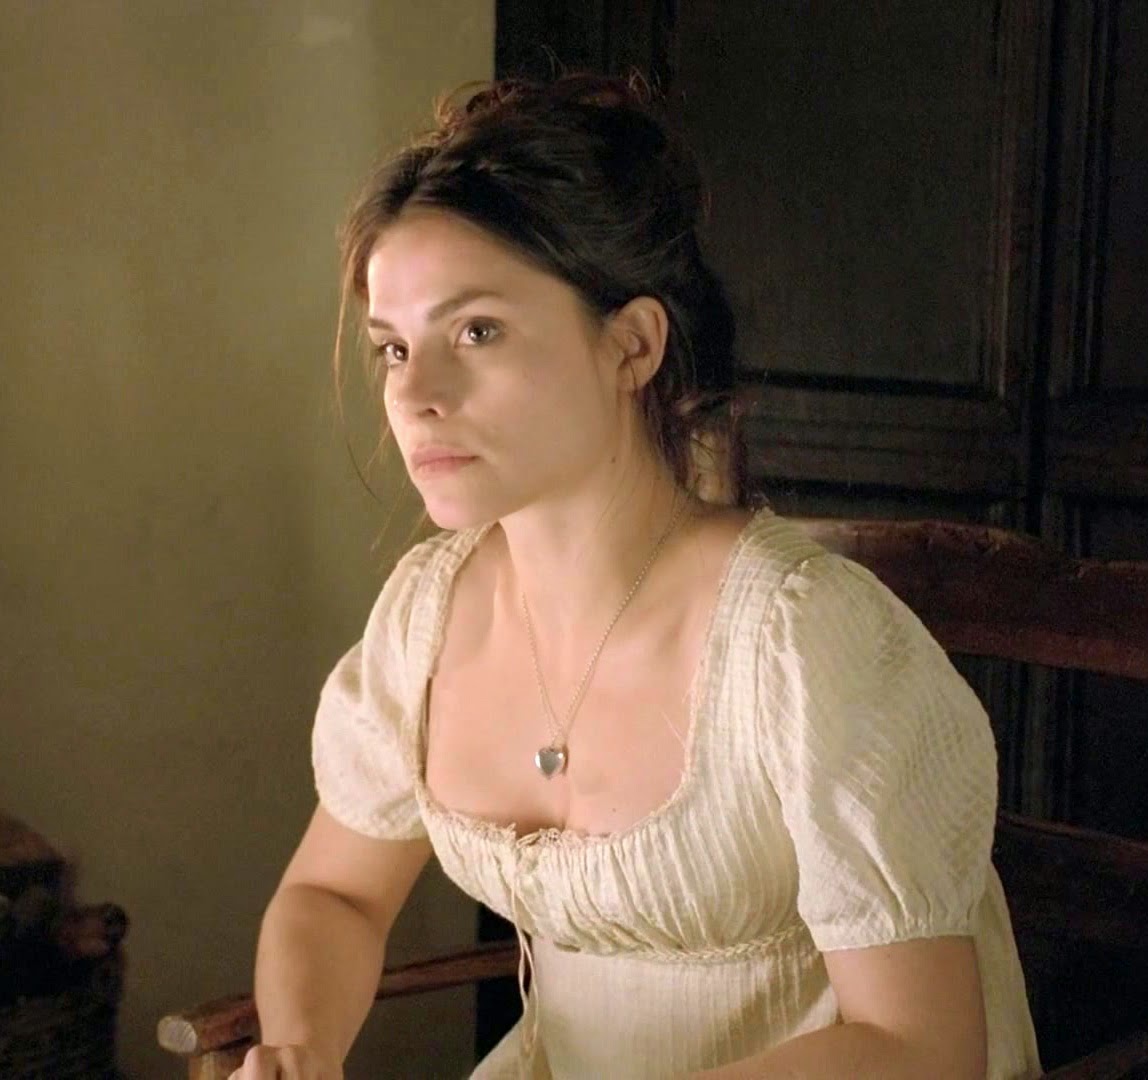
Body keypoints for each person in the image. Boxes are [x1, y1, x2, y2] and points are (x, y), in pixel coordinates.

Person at [231, 74, 1041, 1079]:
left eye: (476, 331)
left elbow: (920, 1045)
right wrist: (302, 1046)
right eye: (394, 347)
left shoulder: (800, 641)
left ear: (632, 345)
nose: (415, 394)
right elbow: (335, 896)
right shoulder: (427, 616)